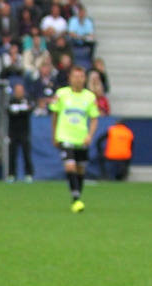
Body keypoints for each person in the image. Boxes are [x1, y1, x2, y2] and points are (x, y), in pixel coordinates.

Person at [49, 63, 98, 212]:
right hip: (65, 136)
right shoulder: (61, 94)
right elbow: (55, 115)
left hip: (81, 138)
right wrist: (55, 135)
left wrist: (90, 135)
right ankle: (76, 198)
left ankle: (77, 196)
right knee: (70, 166)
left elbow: (95, 118)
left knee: (80, 170)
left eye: (81, 77)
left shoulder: (90, 97)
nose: (78, 79)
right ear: (70, 78)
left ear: (85, 79)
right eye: (75, 76)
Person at [6, 82, 34, 183]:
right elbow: (9, 112)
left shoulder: (27, 100)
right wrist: (21, 110)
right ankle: (11, 175)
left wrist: (18, 111)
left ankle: (29, 174)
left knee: (26, 153)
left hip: (24, 131)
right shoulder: (11, 100)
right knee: (12, 154)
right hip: (13, 132)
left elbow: (29, 111)